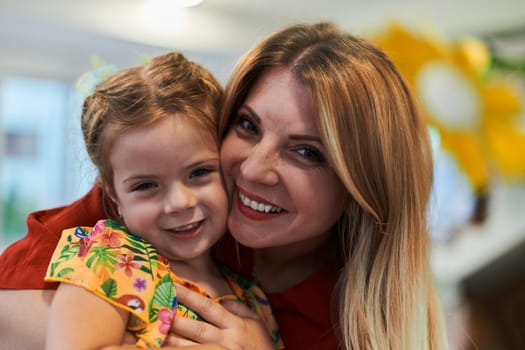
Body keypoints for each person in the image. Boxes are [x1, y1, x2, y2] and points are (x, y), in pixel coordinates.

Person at [0, 22, 449, 350]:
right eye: (248, 125)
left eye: (307, 152)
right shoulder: (139, 214)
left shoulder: (344, 319)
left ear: (359, 191)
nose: (253, 170)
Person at [42, 51, 281, 349]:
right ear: (114, 195)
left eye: (200, 172)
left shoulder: (251, 295)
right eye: (146, 185)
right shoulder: (109, 259)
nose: (179, 202)